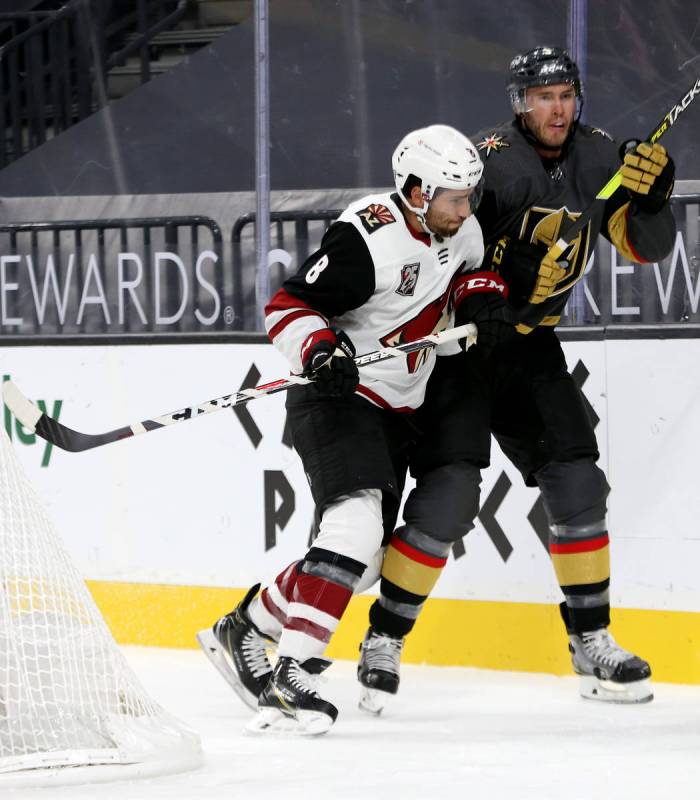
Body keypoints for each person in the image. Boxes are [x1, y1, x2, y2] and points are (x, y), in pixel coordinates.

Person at [357, 46, 677, 710]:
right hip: (463, 350)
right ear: (519, 104)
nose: (557, 108)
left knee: (579, 481)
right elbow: (443, 251)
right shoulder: (489, 164)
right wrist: (489, 293)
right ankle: (384, 638)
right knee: (447, 503)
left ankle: (591, 640)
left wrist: (653, 202)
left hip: (532, 349)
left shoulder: (596, 158)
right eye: (544, 96)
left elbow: (646, 248)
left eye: (567, 94)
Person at [197, 124, 513, 734]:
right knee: (357, 524)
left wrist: (481, 297)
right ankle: (295, 673)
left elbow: (466, 272)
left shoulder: (461, 227)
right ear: (417, 192)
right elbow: (288, 306)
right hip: (339, 397)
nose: (464, 208)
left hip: (399, 407)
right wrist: (320, 349)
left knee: (362, 560)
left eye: (468, 196)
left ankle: (245, 628)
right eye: (453, 196)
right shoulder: (367, 238)